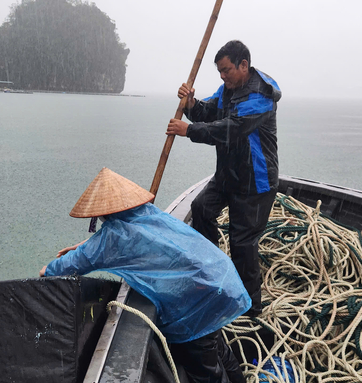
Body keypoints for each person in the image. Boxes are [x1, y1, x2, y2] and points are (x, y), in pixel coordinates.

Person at [40, 167, 250, 383]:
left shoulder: (110, 239)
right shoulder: (150, 214)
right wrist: (85, 245)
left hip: (196, 301)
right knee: (217, 347)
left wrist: (52, 267)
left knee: (205, 370)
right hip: (218, 278)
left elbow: (56, 269)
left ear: (100, 212)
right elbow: (125, 237)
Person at [166, 40, 282, 318]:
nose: (222, 76)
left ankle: (250, 310)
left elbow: (230, 130)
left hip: (256, 182)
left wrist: (189, 130)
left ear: (244, 65)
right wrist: (192, 103)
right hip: (228, 175)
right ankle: (213, 272)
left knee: (242, 244)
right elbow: (209, 112)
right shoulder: (228, 90)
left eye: (226, 70)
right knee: (201, 209)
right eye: (219, 71)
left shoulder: (260, 96)